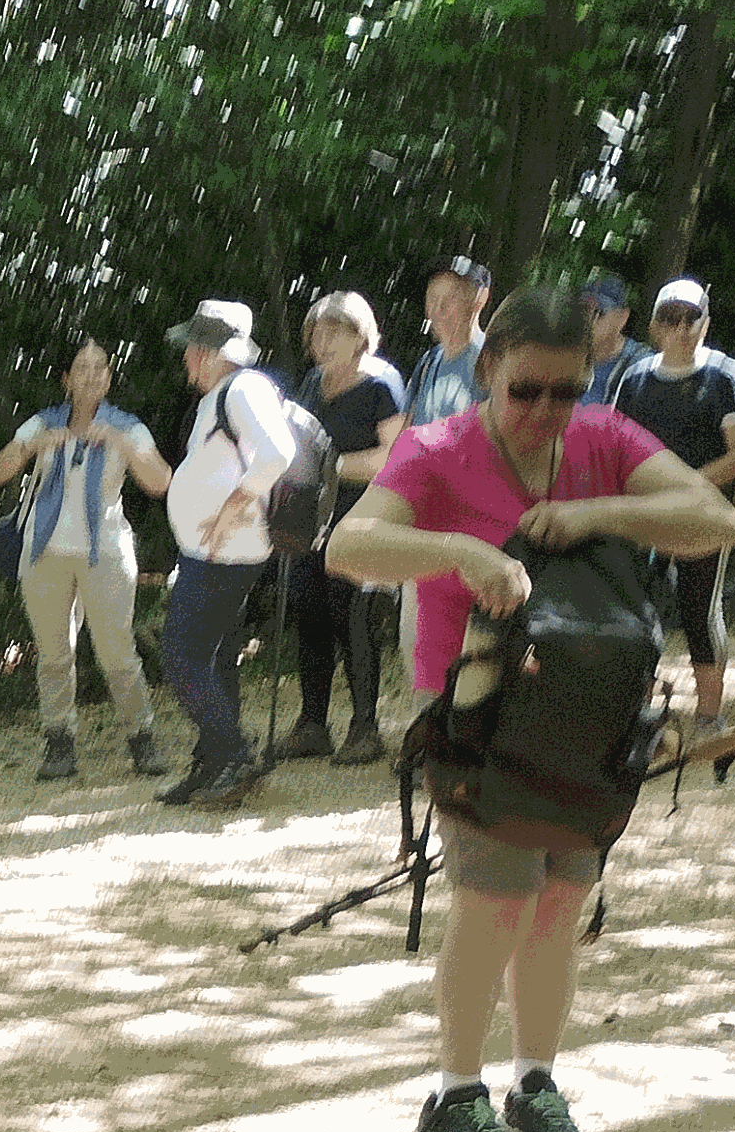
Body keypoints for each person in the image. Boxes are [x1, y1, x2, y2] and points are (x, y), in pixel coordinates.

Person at [324, 285, 735, 1132]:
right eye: (526, 391)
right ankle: (453, 1095)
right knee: (496, 903)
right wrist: (462, 552)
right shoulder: (438, 452)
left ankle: (537, 1081)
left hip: (588, 717)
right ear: (488, 371)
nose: (547, 412)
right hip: (478, 719)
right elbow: (347, 548)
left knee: (558, 906)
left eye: (566, 391)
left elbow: (717, 520)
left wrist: (599, 513)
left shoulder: (603, 442)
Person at [0, 339, 174, 782]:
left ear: (109, 378)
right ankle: (59, 743)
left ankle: (142, 737)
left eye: (101, 368)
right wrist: (32, 447)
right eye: (82, 368)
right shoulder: (42, 423)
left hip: (106, 552)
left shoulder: (127, 427)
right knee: (53, 655)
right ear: (66, 380)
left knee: (117, 652)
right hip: (44, 553)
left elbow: (161, 482)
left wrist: (121, 444)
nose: (92, 375)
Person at [603, 278, 735, 734]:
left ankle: (709, 715)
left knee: (698, 608)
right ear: (655, 325)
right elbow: (614, 446)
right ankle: (635, 710)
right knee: (635, 607)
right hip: (644, 517)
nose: (681, 327)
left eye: (691, 318)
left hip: (703, 516)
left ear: (705, 322)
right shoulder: (633, 379)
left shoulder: (725, 375)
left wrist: (685, 485)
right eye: (670, 317)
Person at [157, 300, 293, 809]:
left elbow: (279, 452)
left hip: (224, 553)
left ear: (214, 352)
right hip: (214, 552)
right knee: (210, 660)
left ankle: (233, 756)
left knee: (182, 655)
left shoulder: (243, 388)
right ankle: (213, 763)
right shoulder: (227, 392)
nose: (187, 357)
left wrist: (236, 504)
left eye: (194, 347)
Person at [270, 293, 407, 767]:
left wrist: (332, 466)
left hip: (363, 516)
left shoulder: (381, 387)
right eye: (316, 333)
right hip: (311, 519)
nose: (322, 342)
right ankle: (312, 723)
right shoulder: (310, 384)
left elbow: (393, 457)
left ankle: (365, 727)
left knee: (353, 618)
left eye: (335, 332)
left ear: (360, 337)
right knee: (309, 612)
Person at [407, 255, 492, 428]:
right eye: (432, 298)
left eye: (452, 298)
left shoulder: (494, 363)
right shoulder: (428, 362)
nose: (439, 309)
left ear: (480, 299)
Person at [578, 272, 640, 404]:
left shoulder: (639, 368)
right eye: (583, 310)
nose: (588, 320)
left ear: (622, 317)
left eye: (598, 312)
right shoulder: (565, 355)